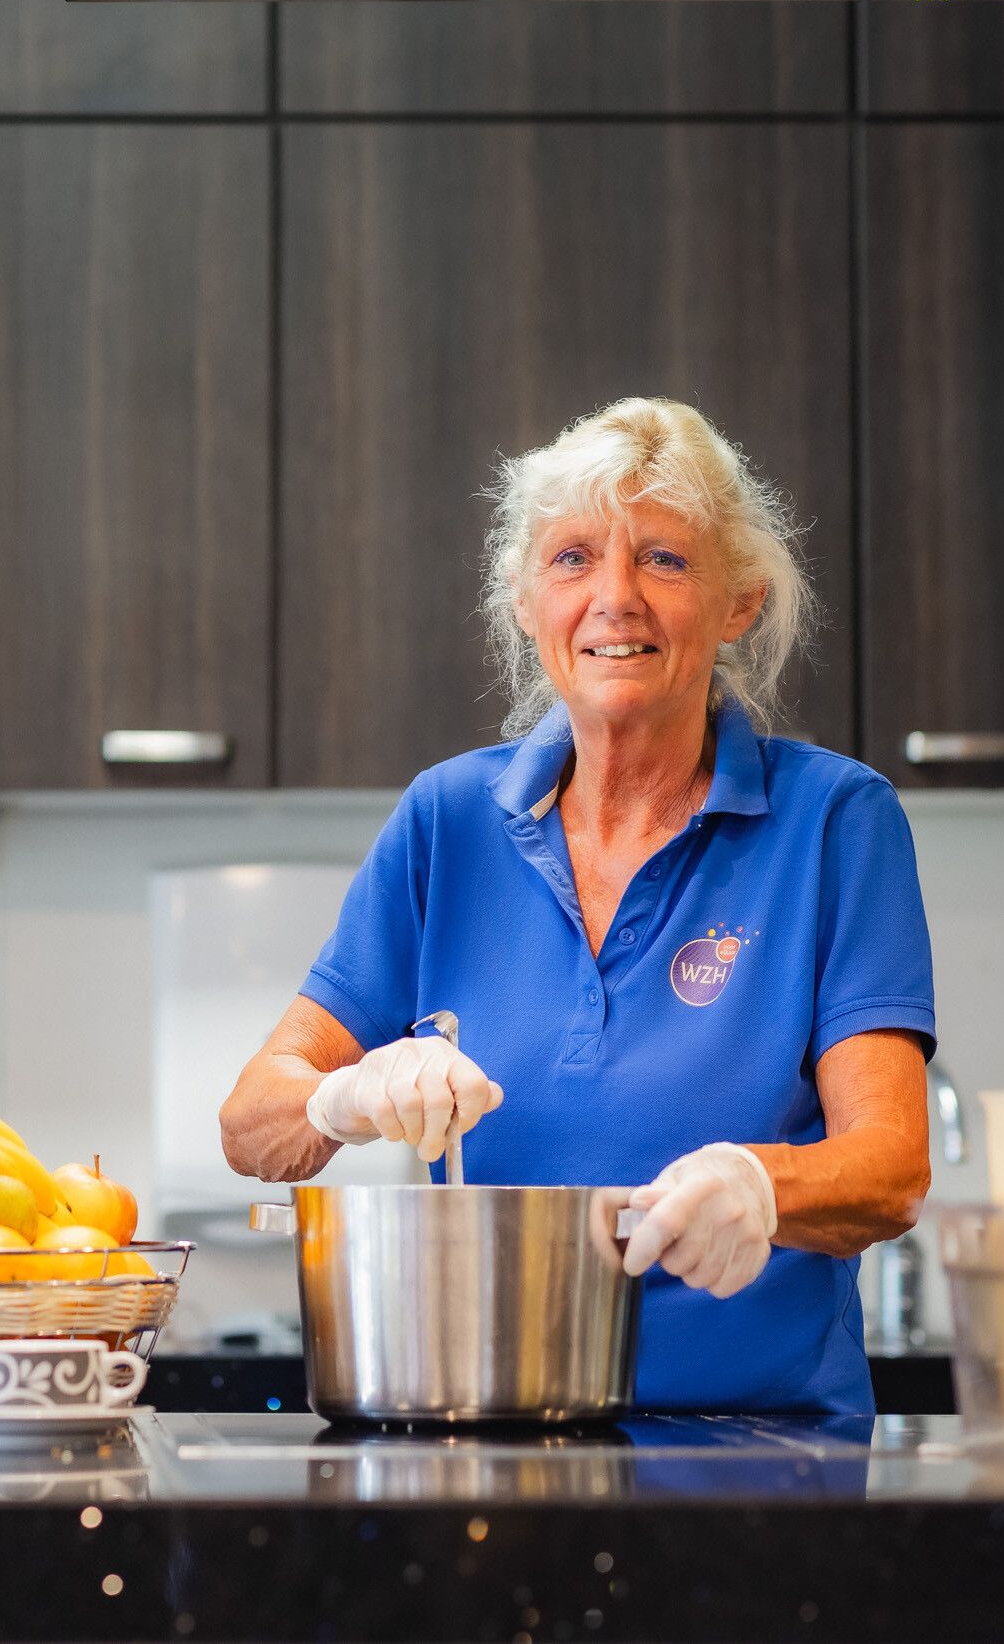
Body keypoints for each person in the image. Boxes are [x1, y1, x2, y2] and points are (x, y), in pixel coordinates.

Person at [221, 398, 934, 1413]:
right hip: (478, 1444)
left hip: (764, 1468)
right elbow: (251, 1126)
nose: (615, 599)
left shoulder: (833, 823)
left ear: (739, 601)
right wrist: (340, 1098)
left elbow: (891, 1165)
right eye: (570, 559)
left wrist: (763, 1186)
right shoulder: (445, 820)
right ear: (522, 600)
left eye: (664, 560)